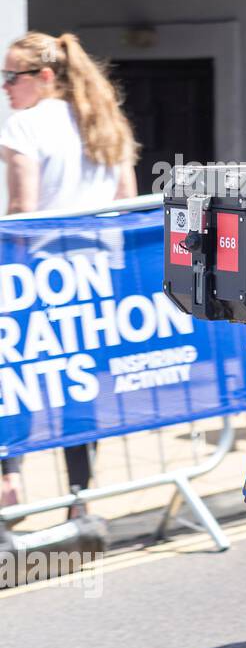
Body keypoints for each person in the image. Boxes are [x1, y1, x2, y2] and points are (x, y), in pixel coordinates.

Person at [0, 31, 137, 514]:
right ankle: (81, 501)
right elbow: (126, 205)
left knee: (16, 378)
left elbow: (23, 209)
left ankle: (10, 489)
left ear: (42, 77)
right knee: (78, 387)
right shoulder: (103, 120)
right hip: (95, 278)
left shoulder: (25, 126)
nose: (5, 88)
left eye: (11, 77)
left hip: (38, 275)